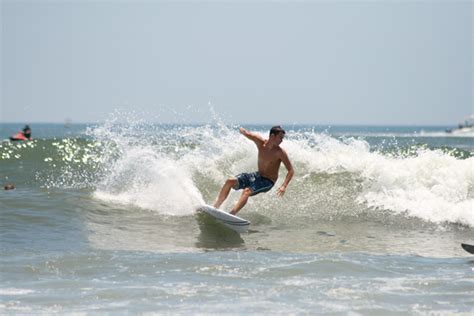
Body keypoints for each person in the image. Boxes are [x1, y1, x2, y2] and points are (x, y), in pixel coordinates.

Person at [213, 125, 294, 215]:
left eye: (282, 138)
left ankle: (232, 214)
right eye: (280, 138)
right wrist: (240, 129)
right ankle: (215, 207)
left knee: (247, 191)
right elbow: (247, 134)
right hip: (256, 175)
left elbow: (290, 170)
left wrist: (284, 186)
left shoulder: (280, 153)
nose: (281, 140)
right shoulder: (260, 143)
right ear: (272, 136)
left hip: (268, 181)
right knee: (230, 181)